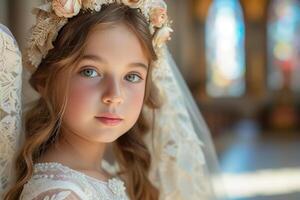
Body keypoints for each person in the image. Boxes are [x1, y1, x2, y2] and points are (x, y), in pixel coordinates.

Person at [1, 0, 224, 200]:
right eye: (90, 71)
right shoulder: (61, 194)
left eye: (132, 76)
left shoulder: (104, 173)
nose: (115, 95)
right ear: (46, 81)